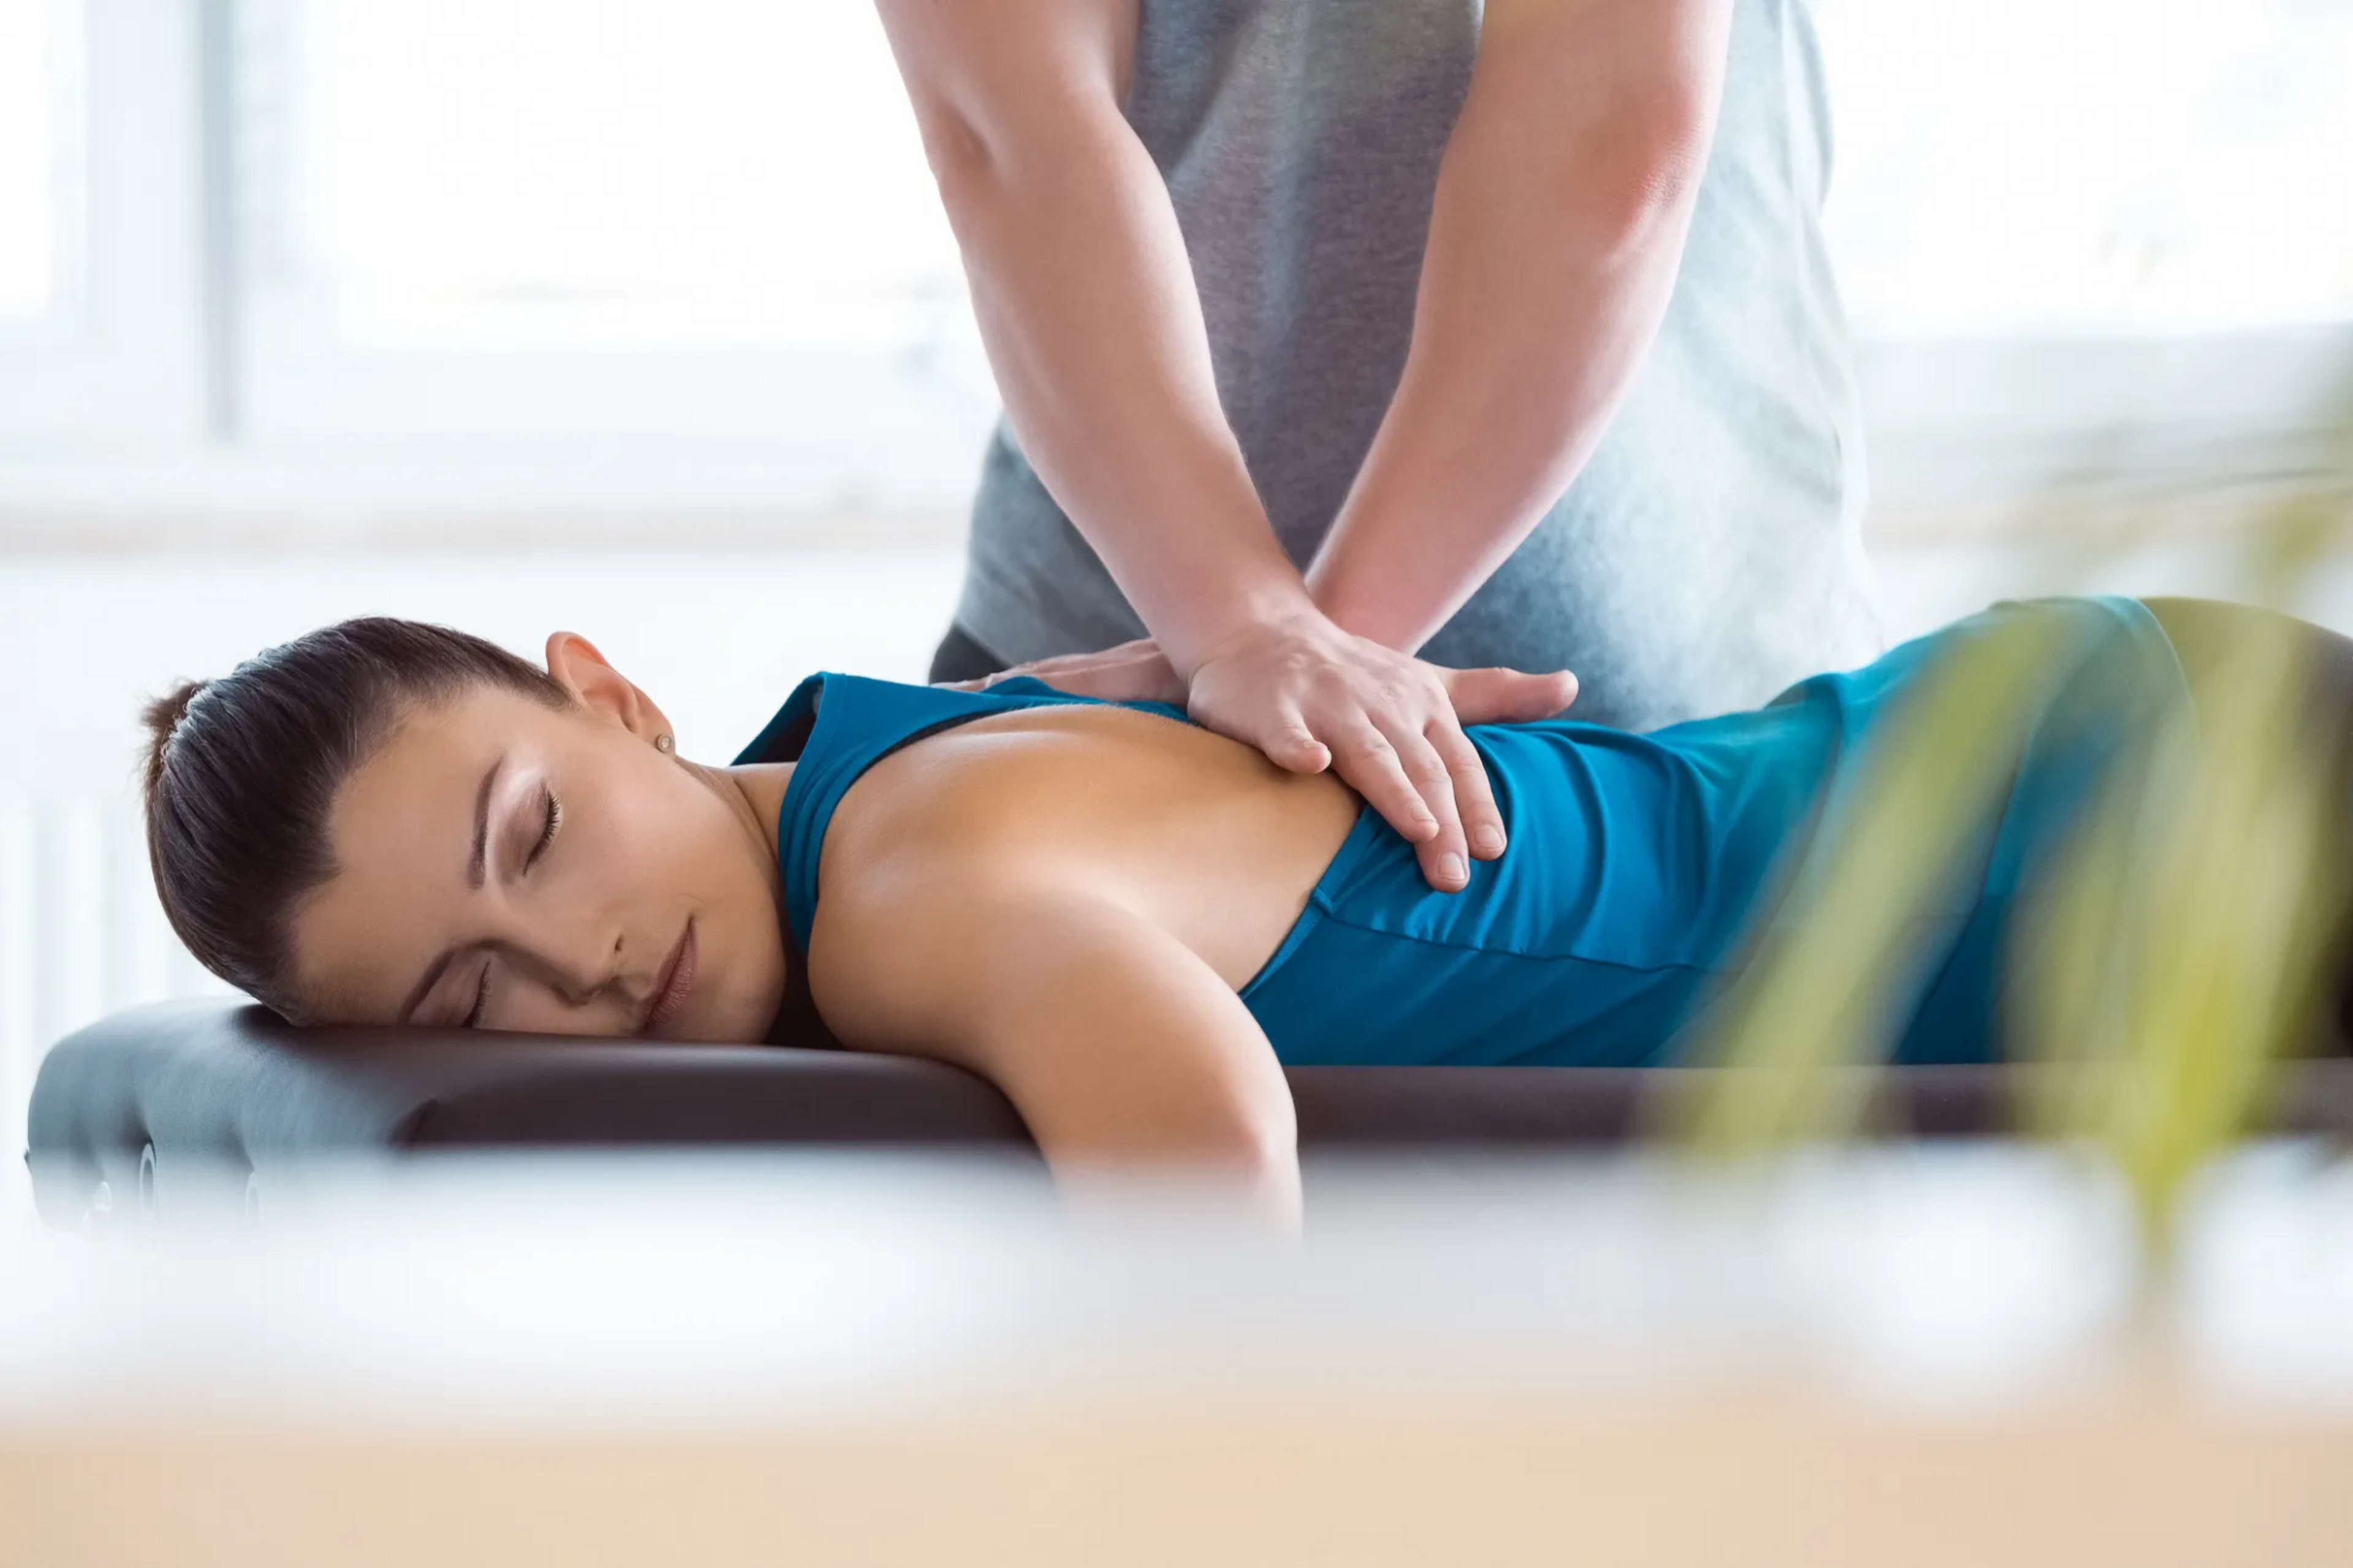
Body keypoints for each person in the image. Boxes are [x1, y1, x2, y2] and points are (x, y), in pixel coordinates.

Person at [139, 597, 2353, 1229]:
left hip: (2096, 830)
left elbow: (1206, 1182)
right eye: (466, 990)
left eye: (537, 841)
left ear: (610, 692)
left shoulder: (911, 879)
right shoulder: (904, 740)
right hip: (2043, 737)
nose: (579, 969)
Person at [877, 0, 1882, 895]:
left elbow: (1610, 145)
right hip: (1126, 698)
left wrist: (1285, 672)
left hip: (1671, 723)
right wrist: (1258, 652)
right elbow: (1015, 140)